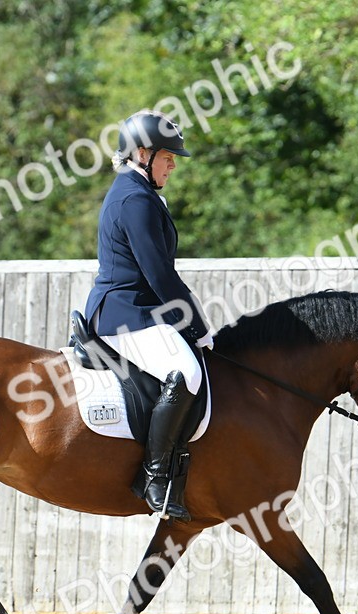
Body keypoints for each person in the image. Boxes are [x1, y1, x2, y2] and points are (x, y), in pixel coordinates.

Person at [83, 110, 213, 521]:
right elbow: (159, 274)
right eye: (167, 156)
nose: (173, 164)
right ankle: (154, 478)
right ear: (142, 153)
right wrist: (197, 325)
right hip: (125, 314)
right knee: (187, 373)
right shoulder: (134, 198)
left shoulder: (138, 192)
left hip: (138, 311)